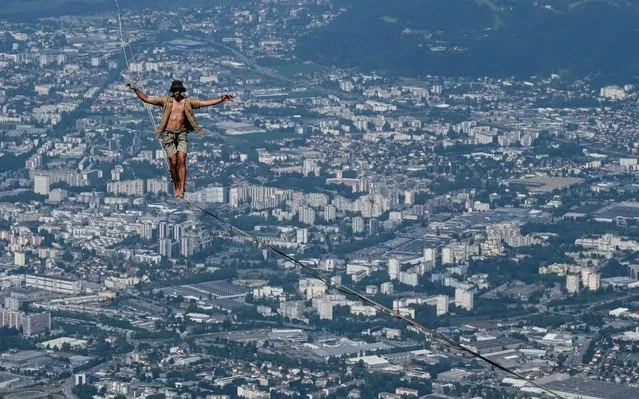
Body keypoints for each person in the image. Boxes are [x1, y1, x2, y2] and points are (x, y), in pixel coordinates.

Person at [126, 79, 233, 198]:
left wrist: (221, 99)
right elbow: (147, 99)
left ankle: (182, 188)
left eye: (179, 90)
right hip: (168, 133)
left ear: (181, 91)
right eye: (175, 90)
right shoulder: (165, 101)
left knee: (182, 160)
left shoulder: (187, 102)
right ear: (172, 91)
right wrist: (135, 89)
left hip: (182, 133)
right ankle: (176, 186)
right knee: (173, 162)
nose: (177, 92)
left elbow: (204, 103)